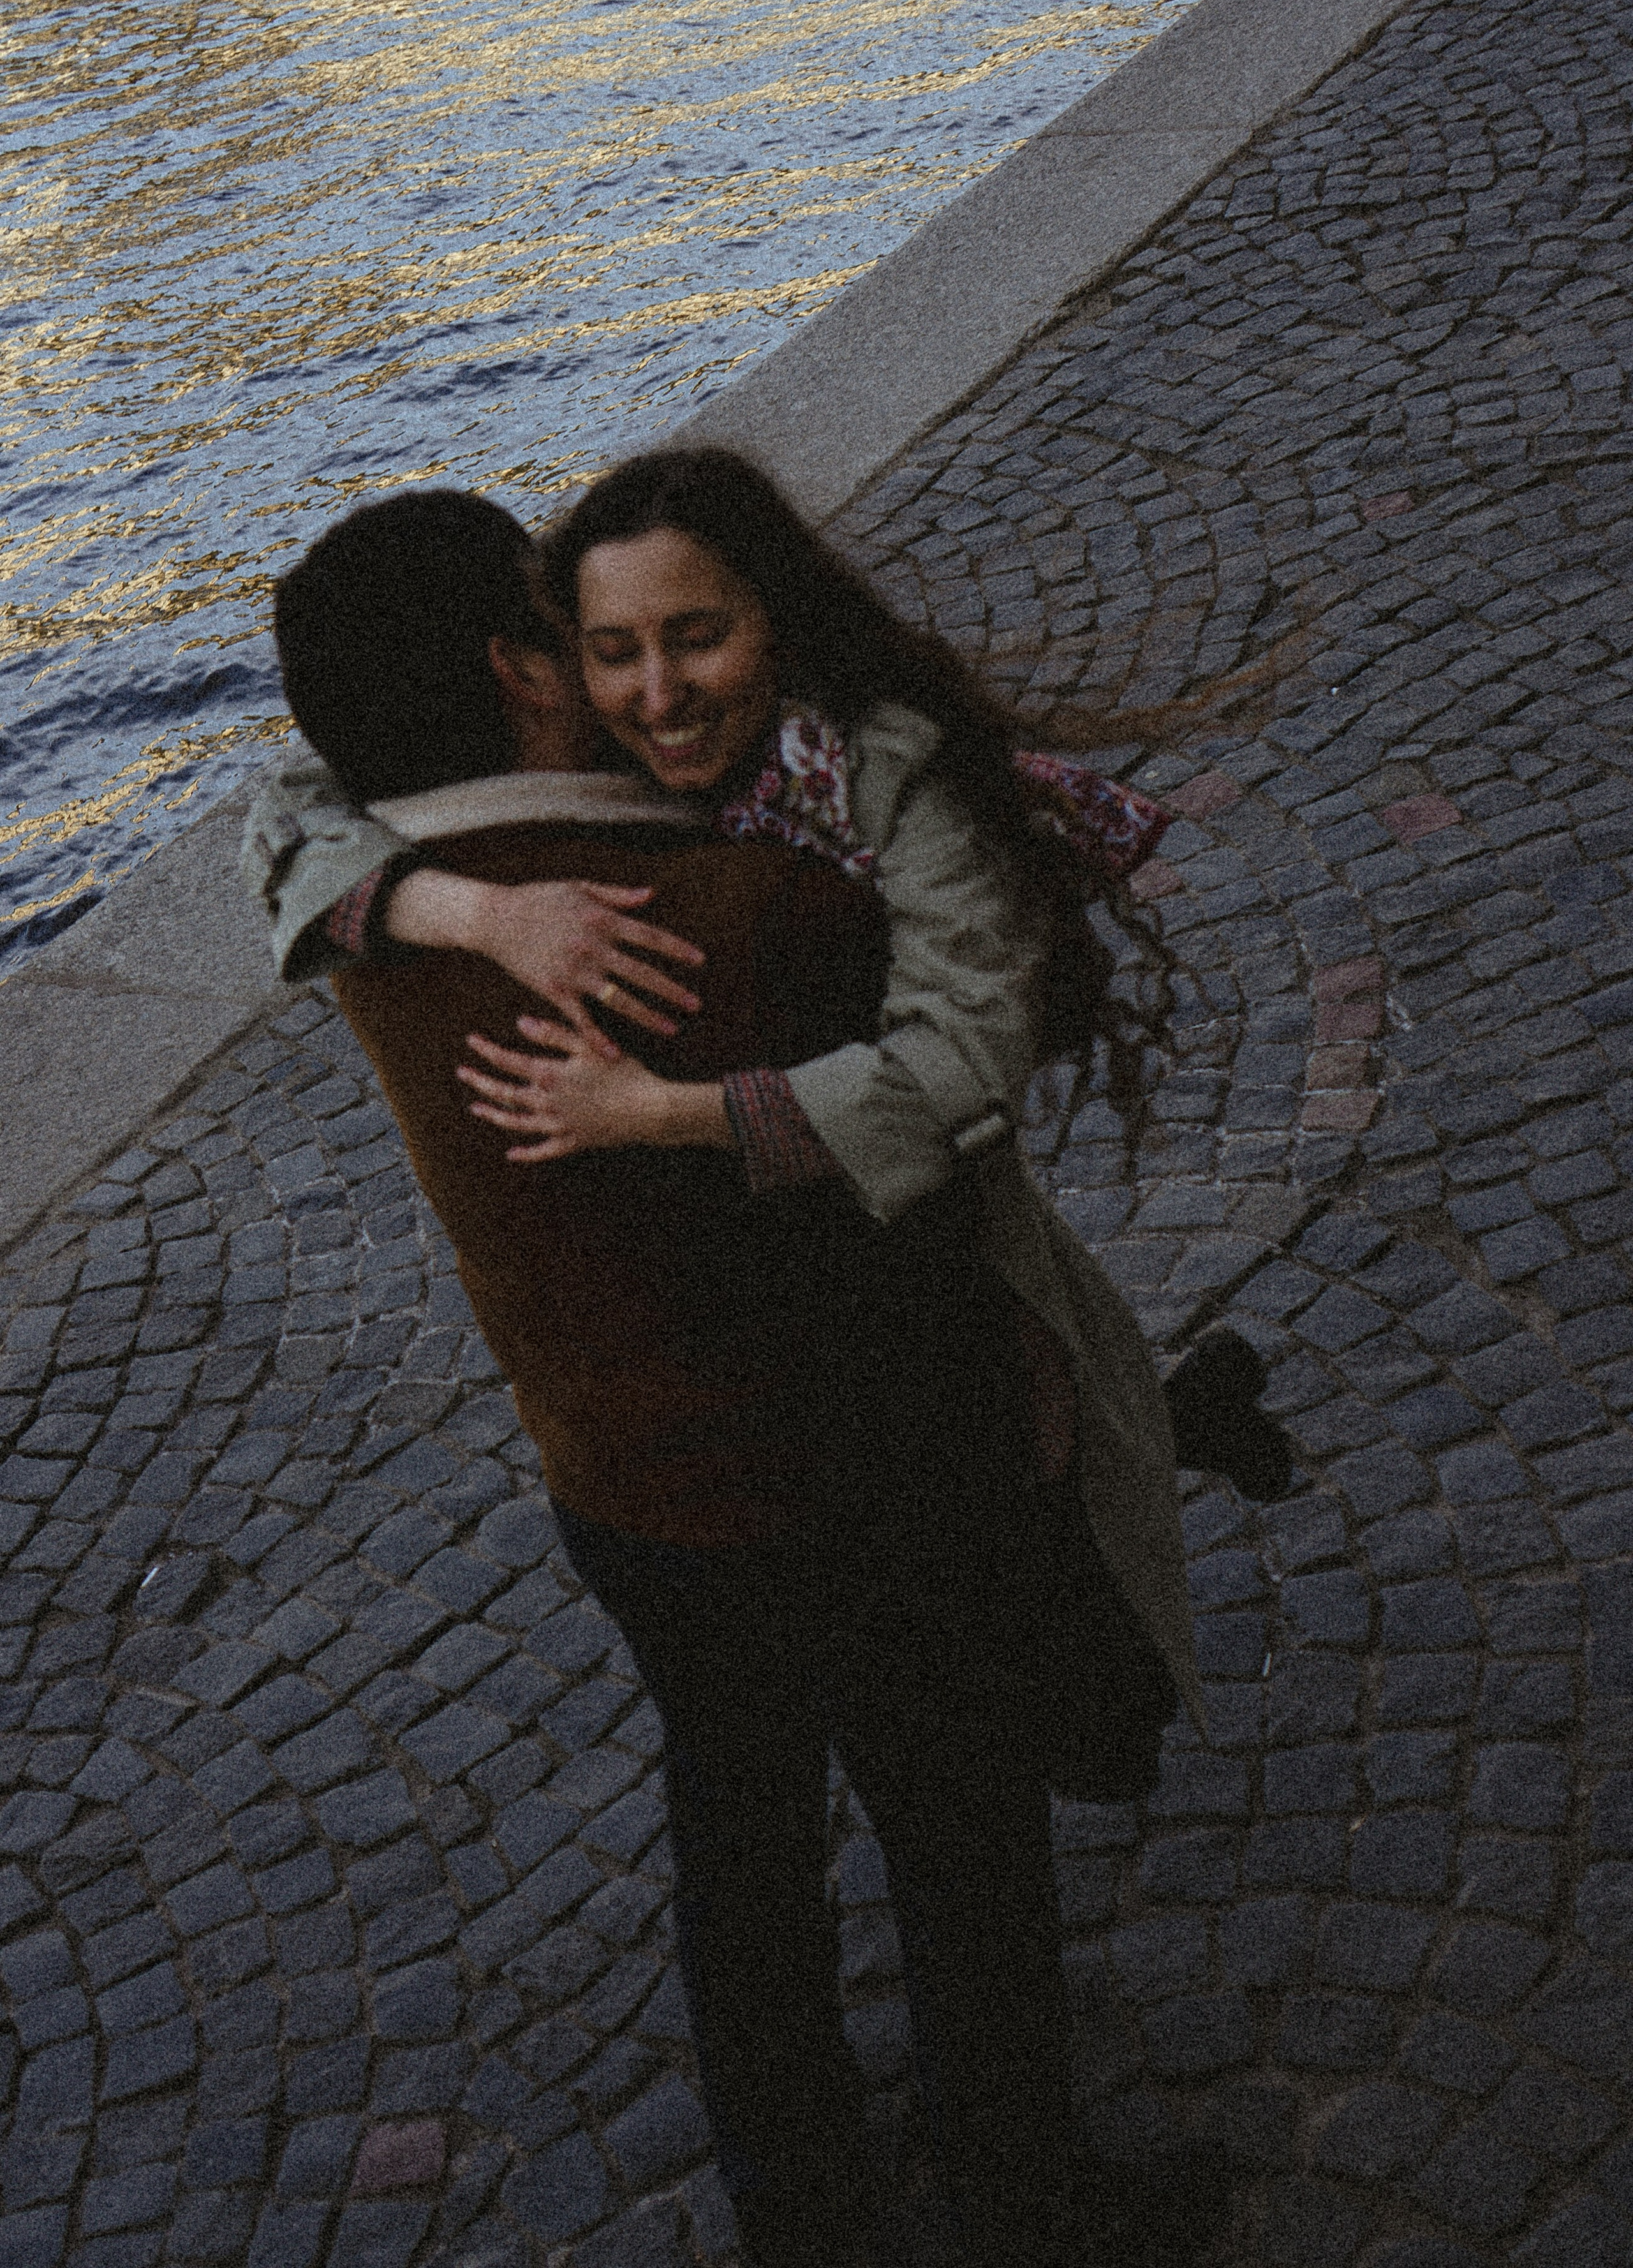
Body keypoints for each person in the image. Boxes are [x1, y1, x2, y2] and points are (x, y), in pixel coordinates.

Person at [248, 456, 1206, 2267]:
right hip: (857, 1469)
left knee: (741, 1844)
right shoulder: (753, 914)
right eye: (578, 637)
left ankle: (804, 2211)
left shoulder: (365, 922)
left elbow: (288, 794)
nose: (635, 683)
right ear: (529, 674)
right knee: (956, 1833)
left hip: (623, 1491)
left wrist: (458, 906)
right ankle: (1027, 2194)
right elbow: (958, 1069)